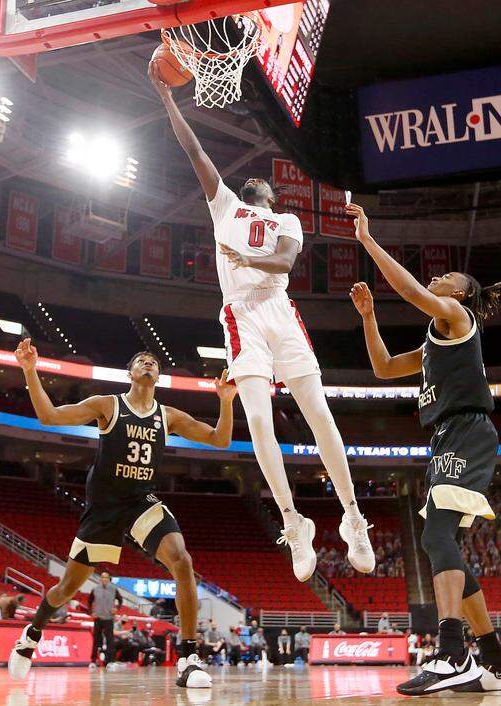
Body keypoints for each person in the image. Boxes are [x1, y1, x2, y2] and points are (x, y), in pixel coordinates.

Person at [151, 64, 374, 584]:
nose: (256, 182)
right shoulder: (223, 203)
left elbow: (286, 264)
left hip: (280, 309)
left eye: (264, 184)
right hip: (242, 315)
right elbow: (194, 151)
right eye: (252, 180)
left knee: (320, 416)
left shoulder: (286, 220)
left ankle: (353, 518)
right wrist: (165, 97)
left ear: (271, 198)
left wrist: (247, 260)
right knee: (257, 422)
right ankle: (295, 524)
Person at [347, 203, 501, 696]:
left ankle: (451, 652)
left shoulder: (458, 316)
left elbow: (412, 291)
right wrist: (368, 316)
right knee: (443, 543)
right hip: (447, 436)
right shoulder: (431, 344)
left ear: (462, 293)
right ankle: (496, 662)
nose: (439, 277)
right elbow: (381, 368)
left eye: (448, 276)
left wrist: (367, 241)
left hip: (467, 429)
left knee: (436, 536)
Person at [7, 342, 236, 690]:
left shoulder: (168, 416)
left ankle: (189, 658)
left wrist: (225, 401)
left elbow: (220, 439)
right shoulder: (107, 405)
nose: (148, 363)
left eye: (154, 362)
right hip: (104, 507)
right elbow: (49, 416)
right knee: (67, 587)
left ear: (159, 376)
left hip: (141, 501)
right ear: (130, 373)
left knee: (183, 561)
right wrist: (29, 370)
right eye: (141, 360)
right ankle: (32, 633)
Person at [88, 573, 122, 664]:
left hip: (109, 618)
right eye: (102, 577)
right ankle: (93, 660)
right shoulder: (95, 589)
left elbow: (120, 600)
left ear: (109, 579)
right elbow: (89, 601)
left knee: (110, 640)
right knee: (96, 640)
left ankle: (109, 661)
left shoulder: (114, 589)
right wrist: (91, 612)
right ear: (100, 579)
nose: (104, 579)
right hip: (98, 618)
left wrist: (117, 608)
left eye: (106, 577)